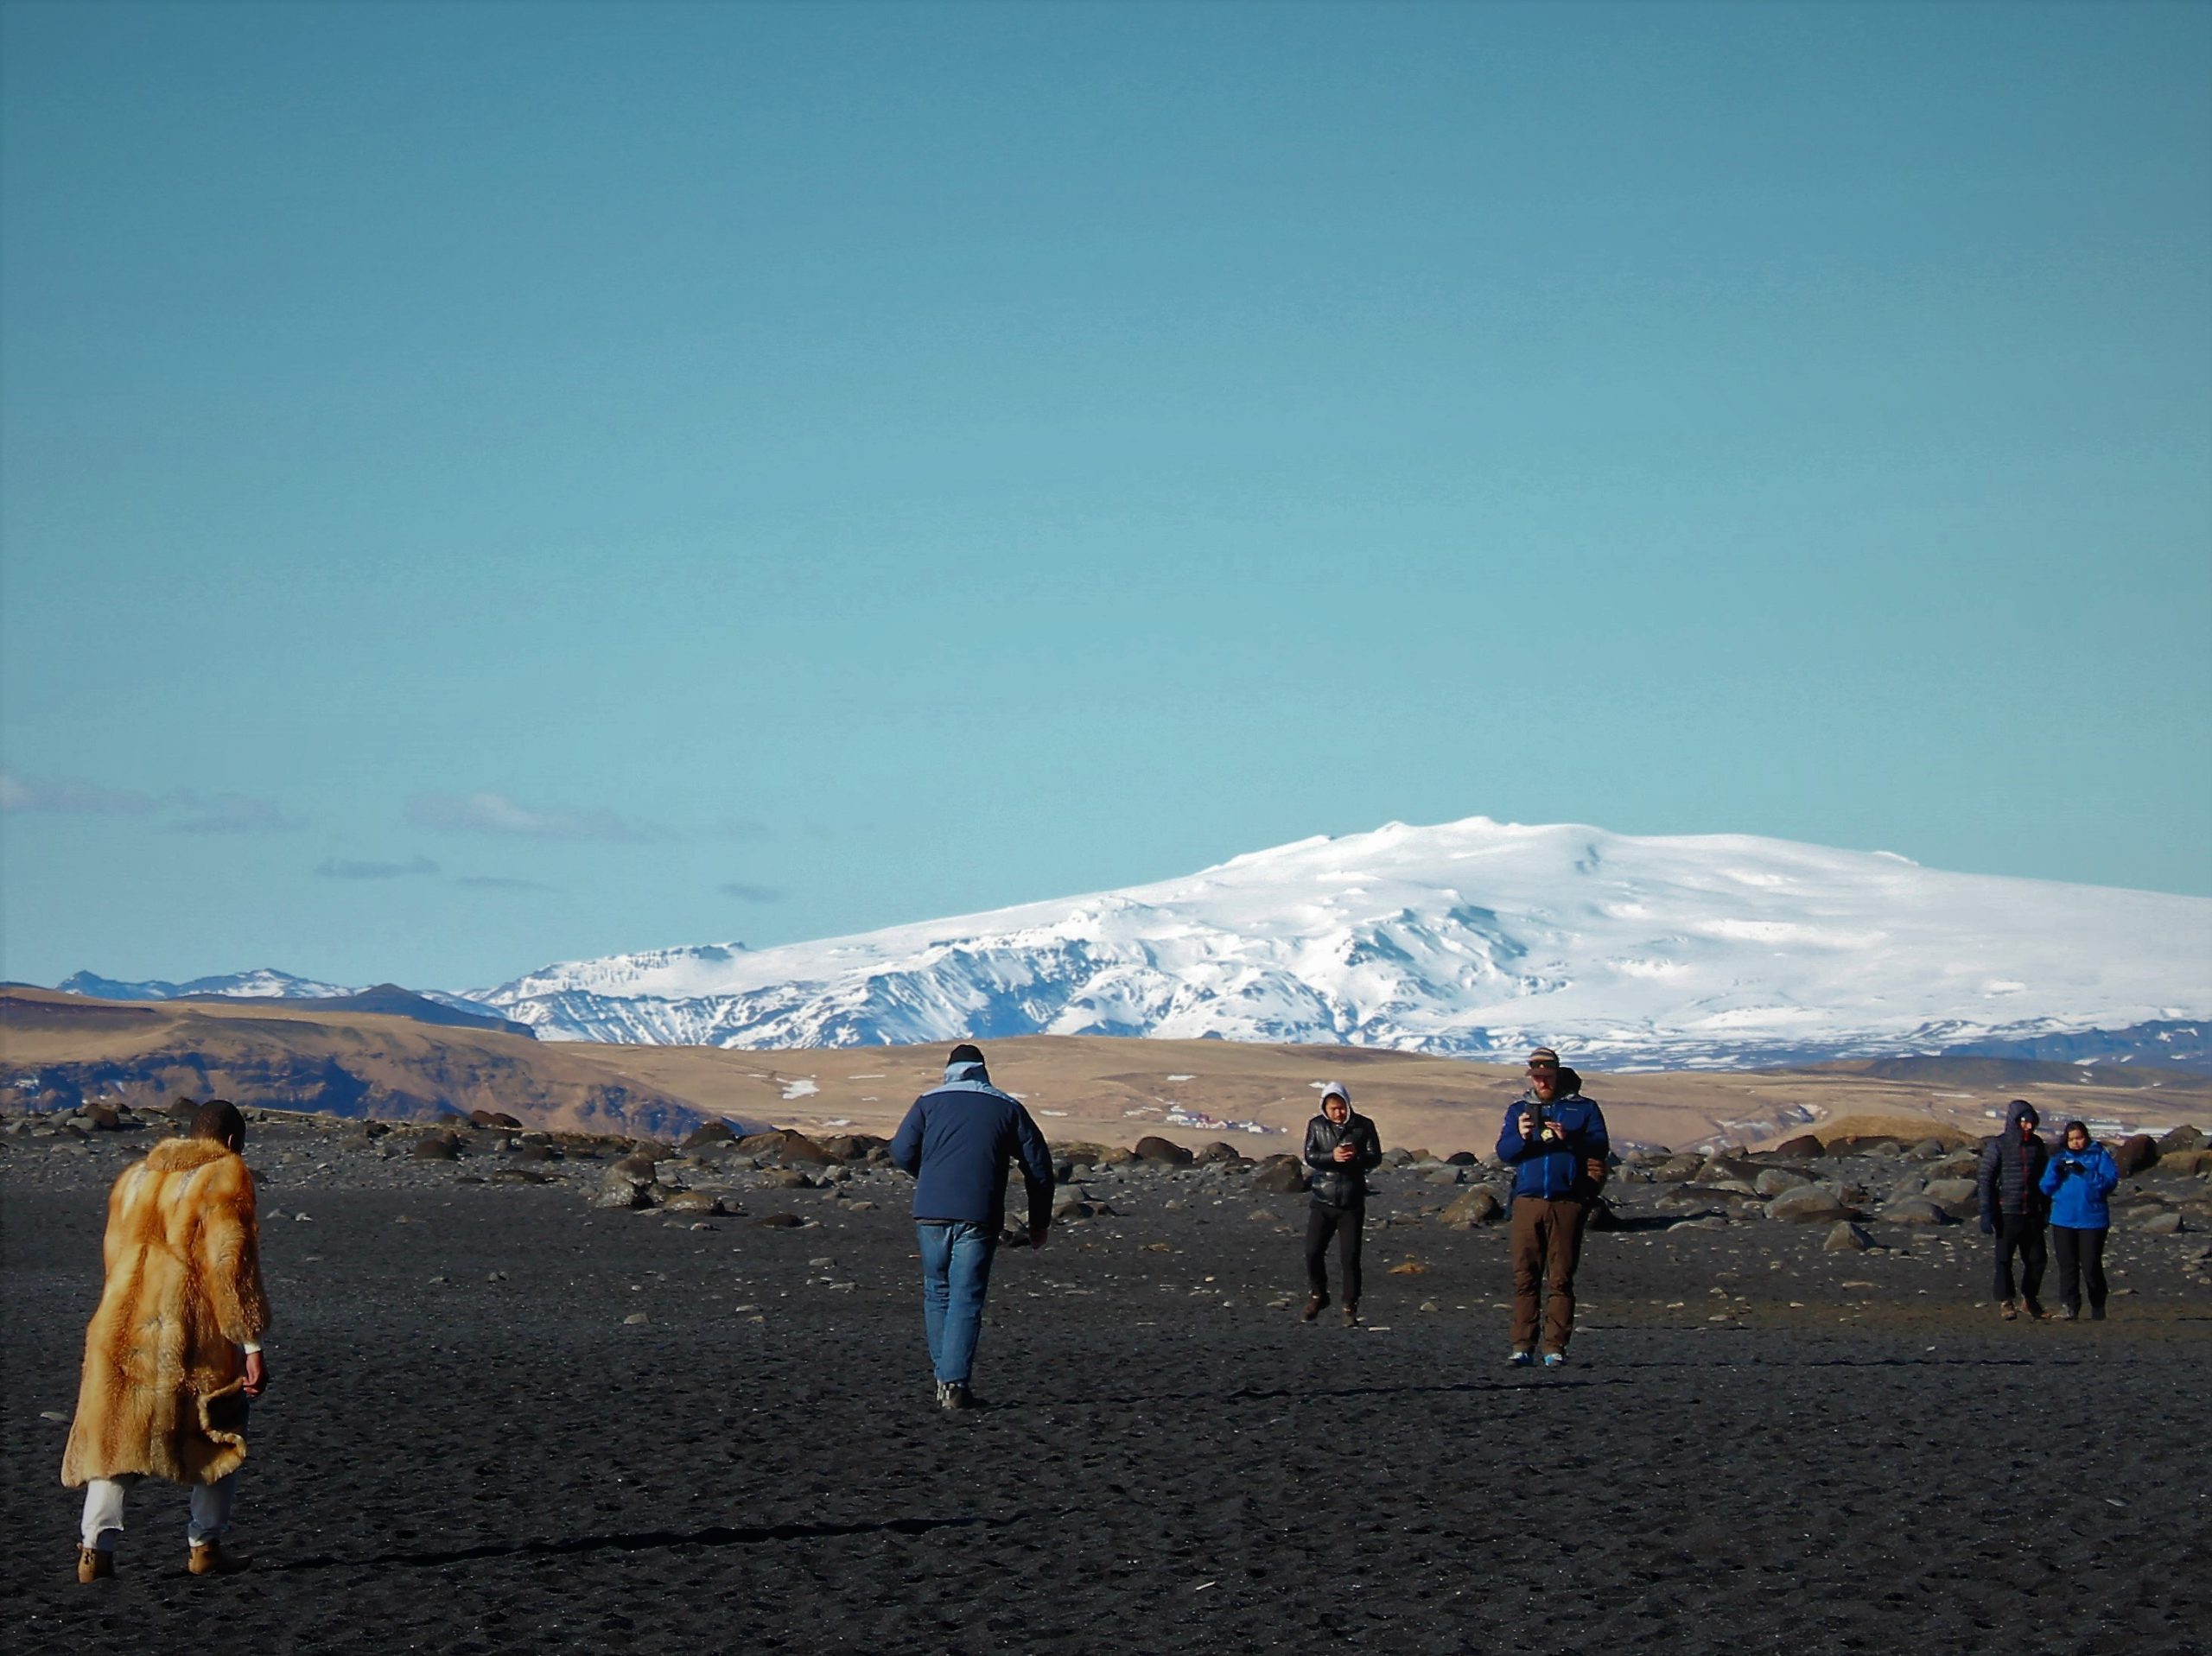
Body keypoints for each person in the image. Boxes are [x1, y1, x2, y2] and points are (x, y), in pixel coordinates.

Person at [61, 1098, 271, 1582]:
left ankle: (95, 1550)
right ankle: (205, 1545)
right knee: (220, 1430)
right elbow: (229, 1267)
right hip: (190, 1336)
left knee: (115, 1440)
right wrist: (251, 1344)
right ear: (234, 1142)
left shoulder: (135, 1178)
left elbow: (114, 1257)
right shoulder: (225, 1174)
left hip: (119, 1329)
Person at [889, 1042, 1055, 1411]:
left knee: (937, 1292)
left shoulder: (927, 1102)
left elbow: (901, 1151)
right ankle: (954, 1383)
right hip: (979, 1213)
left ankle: (943, 1377)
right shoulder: (1007, 1107)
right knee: (966, 1296)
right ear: (983, 1070)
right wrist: (1039, 1222)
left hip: (930, 1211)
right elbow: (1039, 1166)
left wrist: (928, 1176)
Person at [1496, 1047, 1610, 1367]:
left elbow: (1600, 1146)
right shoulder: (1518, 1109)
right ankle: (1522, 1346)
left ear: (1557, 1074)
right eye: (1537, 1077)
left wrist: (1568, 1138)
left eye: (1547, 1076)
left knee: (1561, 1278)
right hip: (1527, 1200)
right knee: (1525, 1276)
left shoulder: (1583, 1109)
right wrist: (1521, 1136)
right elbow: (1505, 1152)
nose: (1542, 1082)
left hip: (1567, 1201)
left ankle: (1555, 1347)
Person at [1299, 1082, 1382, 1327]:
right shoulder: (1316, 1126)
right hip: (1323, 1198)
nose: (1338, 1113)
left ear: (1348, 1104)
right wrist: (1331, 1157)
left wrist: (1354, 1157)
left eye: (1341, 1107)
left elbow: (1375, 1157)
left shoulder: (1363, 1126)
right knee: (1312, 1252)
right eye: (1333, 1108)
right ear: (1325, 1107)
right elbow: (1310, 1156)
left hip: (1352, 1200)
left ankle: (1349, 1306)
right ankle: (1318, 1295)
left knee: (1350, 1257)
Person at [1978, 1098, 2053, 1320]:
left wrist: (2046, 1207)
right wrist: (1986, 1210)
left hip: (2031, 1211)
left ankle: (2030, 1300)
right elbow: (1986, 1178)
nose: (2029, 1126)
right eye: (2024, 1121)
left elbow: (2044, 1178)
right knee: (2004, 1259)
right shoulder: (1998, 1145)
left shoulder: (2037, 1146)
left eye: (2032, 1122)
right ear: (2015, 1121)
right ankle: (2005, 1301)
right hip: (2006, 1212)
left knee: (2038, 1259)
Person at [2040, 1120, 2119, 1322]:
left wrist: (2084, 1172)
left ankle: (2098, 1303)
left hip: (2092, 1220)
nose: (2076, 1143)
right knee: (2067, 1265)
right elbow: (2045, 1188)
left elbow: (2109, 1183)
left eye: (2079, 1138)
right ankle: (2069, 1306)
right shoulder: (2058, 1158)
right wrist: (2056, 1173)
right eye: (2071, 1139)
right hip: (2063, 1219)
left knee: (2091, 1265)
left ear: (2086, 1137)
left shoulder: (2099, 1155)